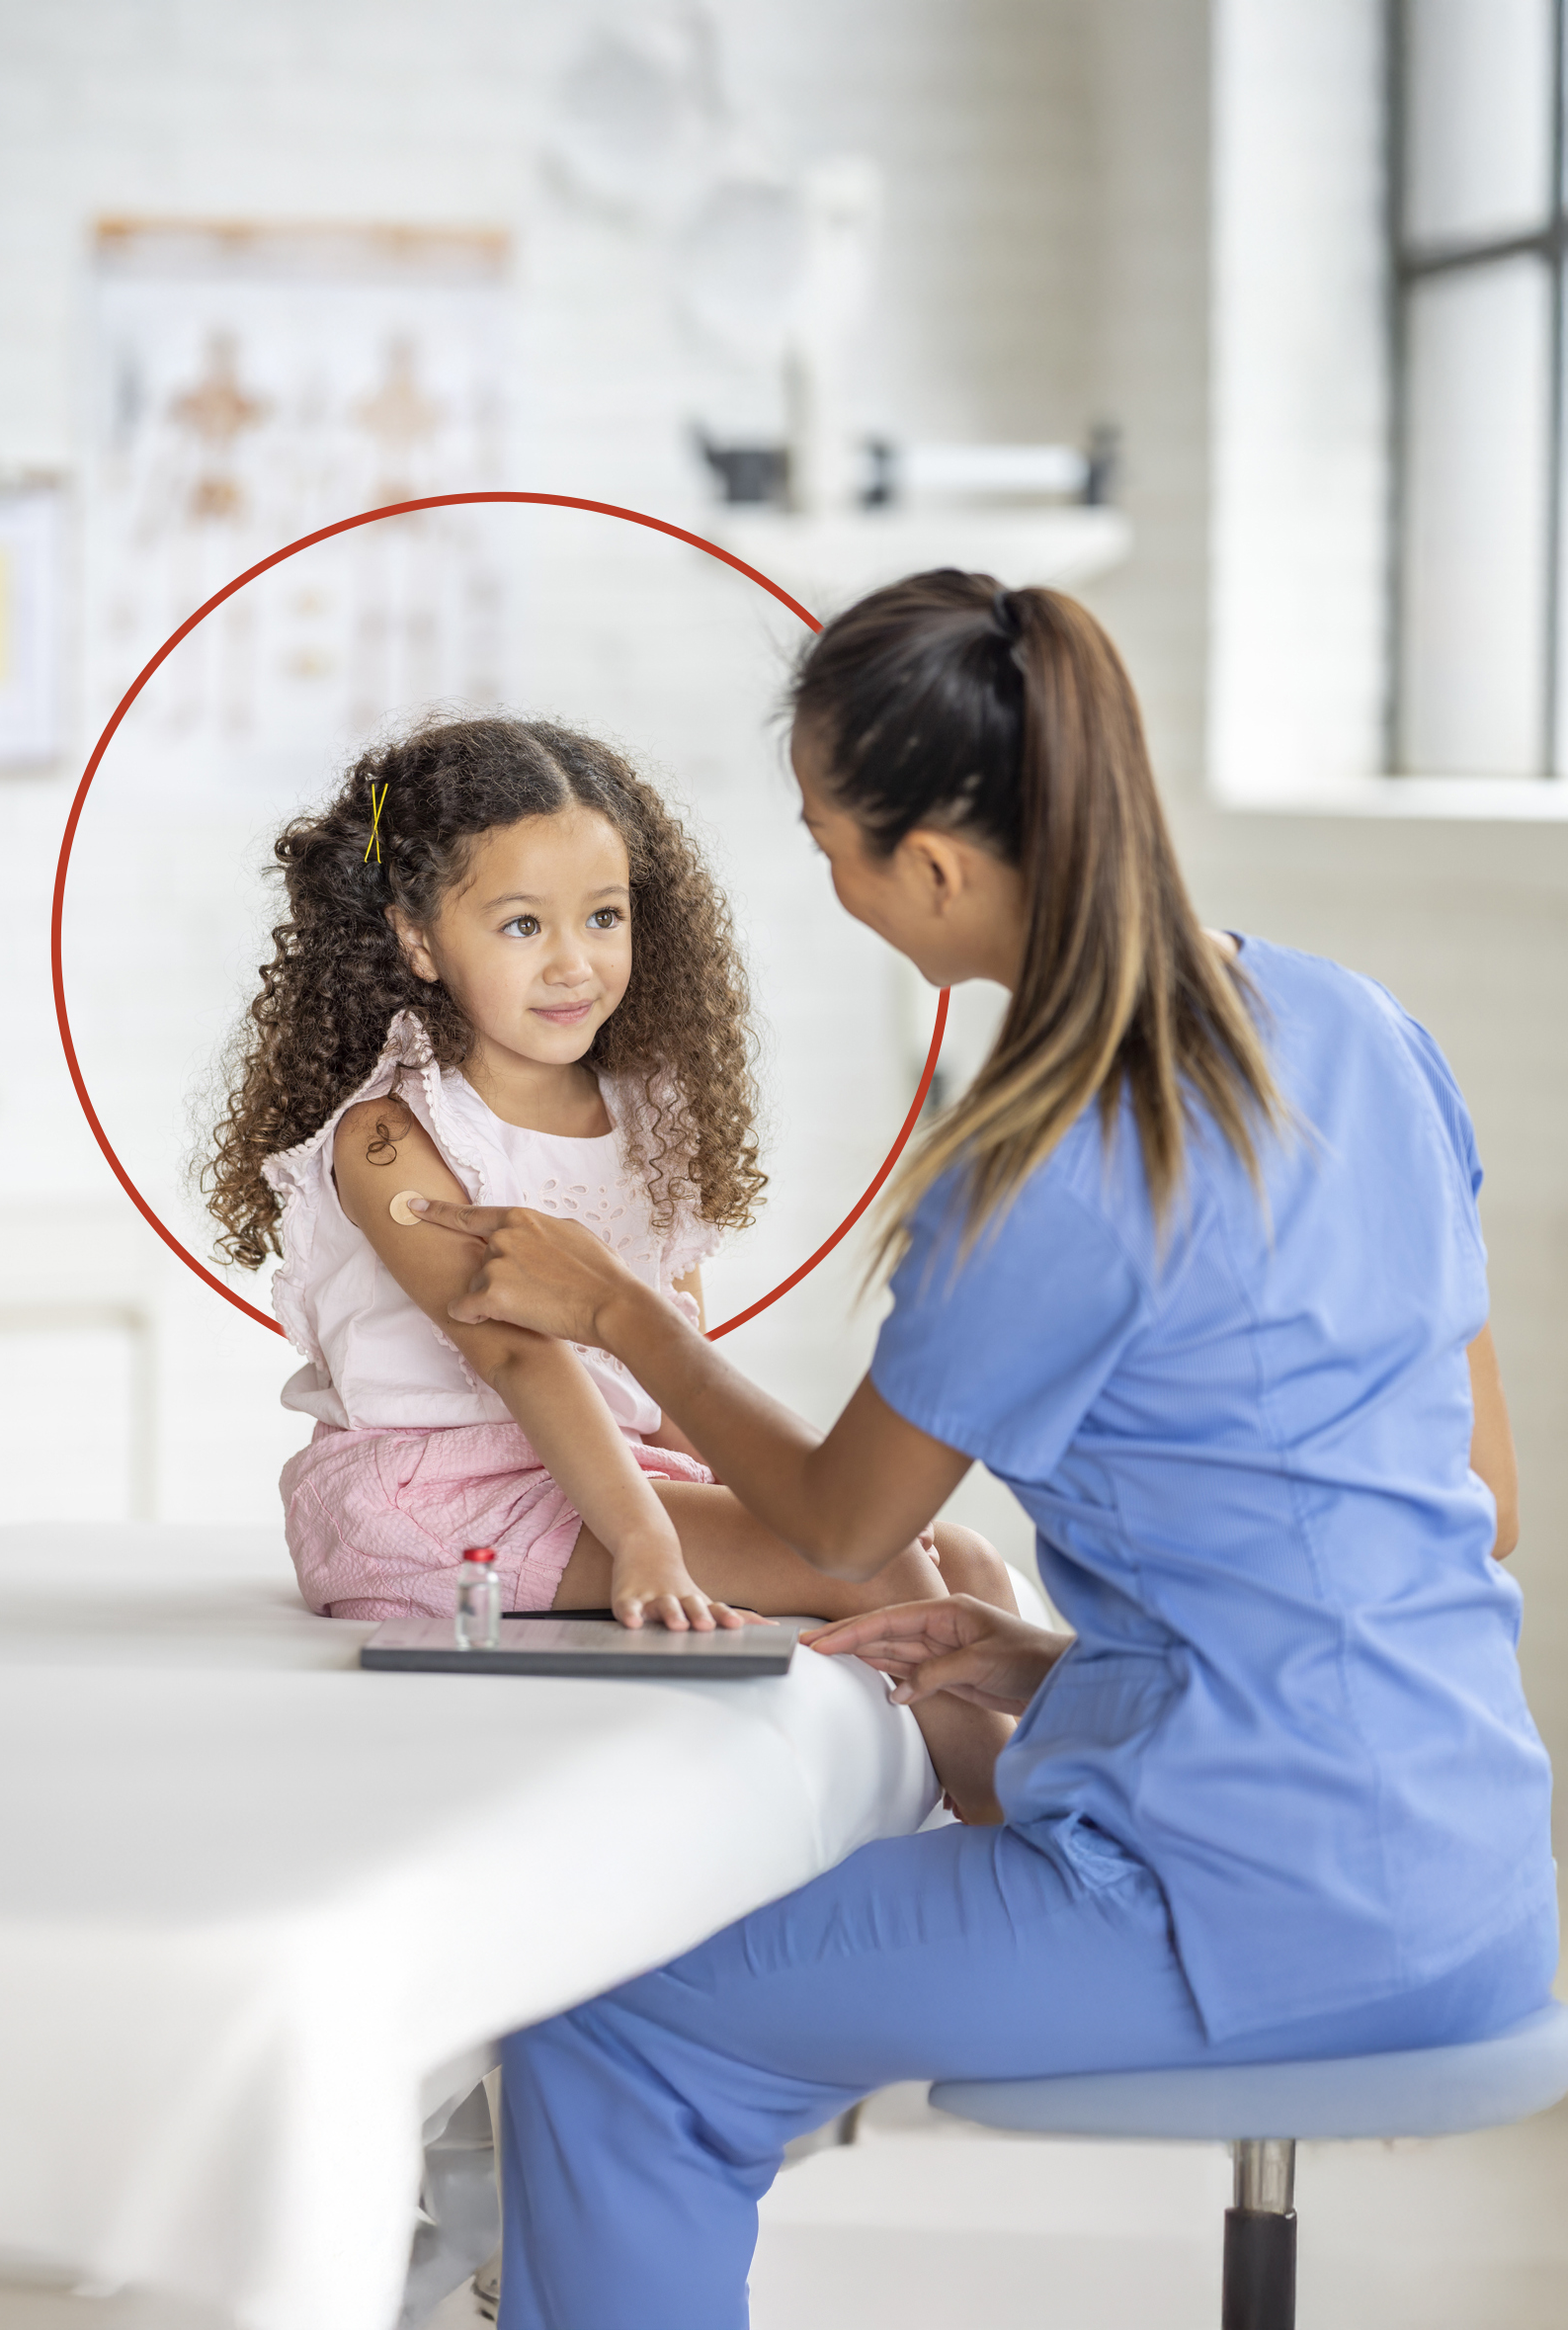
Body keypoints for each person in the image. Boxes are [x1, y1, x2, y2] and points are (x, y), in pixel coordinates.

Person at [405, 575, 1557, 2328]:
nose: (834, 888)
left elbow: (845, 1522)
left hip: (1250, 1901)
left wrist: (622, 1312)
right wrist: (1091, 1669)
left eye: (831, 848)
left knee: (617, 2030)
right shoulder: (1356, 1024)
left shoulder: (1041, 1170)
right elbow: (1473, 1499)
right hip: (1478, 1866)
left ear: (935, 868)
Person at [204, 714, 1019, 1816]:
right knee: (868, 1571)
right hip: (439, 1495)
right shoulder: (392, 1138)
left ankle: (1011, 1817)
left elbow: (674, 1366)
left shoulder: (650, 1113)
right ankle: (1007, 1824)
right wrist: (645, 1540)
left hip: (596, 1470)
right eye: (520, 924)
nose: (572, 961)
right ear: (418, 941)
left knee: (955, 1560)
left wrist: (762, 1502)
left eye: (602, 915)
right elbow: (522, 1363)